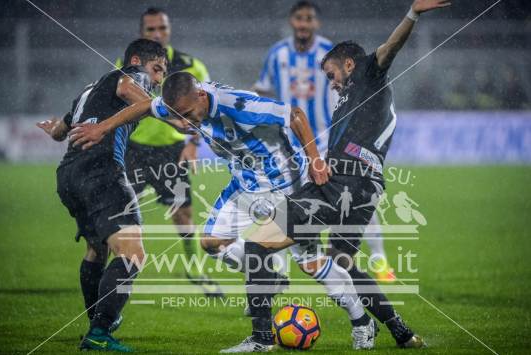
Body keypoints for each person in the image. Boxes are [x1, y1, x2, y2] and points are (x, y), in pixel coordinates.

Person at [68, 72, 377, 351]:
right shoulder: (181, 103)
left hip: (283, 185)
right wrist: (103, 128)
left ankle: (361, 321)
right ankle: (269, 276)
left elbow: (295, 115)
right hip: (244, 186)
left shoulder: (237, 105)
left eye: (189, 115)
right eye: (179, 118)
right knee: (211, 242)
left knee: (310, 262)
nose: (187, 123)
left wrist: (314, 160)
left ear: (201, 96)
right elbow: (145, 106)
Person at [222, 0, 450, 352]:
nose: (331, 83)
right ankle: (400, 332)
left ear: (348, 63)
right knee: (342, 261)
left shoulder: (366, 75)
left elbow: (390, 49)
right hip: (367, 186)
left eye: (331, 74)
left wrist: (412, 14)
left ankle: (261, 339)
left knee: (257, 244)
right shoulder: (353, 97)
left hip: (340, 182)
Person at [36, 39, 167, 352]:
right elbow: (129, 90)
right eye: (157, 69)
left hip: (68, 174)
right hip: (101, 169)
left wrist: (55, 126)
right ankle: (99, 331)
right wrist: (163, 110)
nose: (159, 79)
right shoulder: (131, 75)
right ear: (137, 60)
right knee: (133, 252)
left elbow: (60, 132)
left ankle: (98, 317)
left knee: (97, 248)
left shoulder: (90, 88)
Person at [254, 0, 395, 281]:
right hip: (288, 142)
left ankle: (379, 259)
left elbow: (350, 92)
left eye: (309, 19)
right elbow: (263, 90)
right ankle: (276, 272)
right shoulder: (277, 53)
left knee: (352, 196)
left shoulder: (329, 54)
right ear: (292, 22)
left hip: (327, 140)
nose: (304, 24)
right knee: (285, 198)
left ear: (315, 23)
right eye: (299, 19)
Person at [117, 7, 220, 294]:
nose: (158, 34)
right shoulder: (126, 65)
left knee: (183, 214)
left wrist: (193, 144)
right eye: (151, 30)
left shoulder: (191, 65)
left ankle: (194, 269)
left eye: (162, 28)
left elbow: (205, 112)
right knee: (116, 211)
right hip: (133, 149)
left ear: (169, 30)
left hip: (171, 152)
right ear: (142, 33)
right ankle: (110, 269)